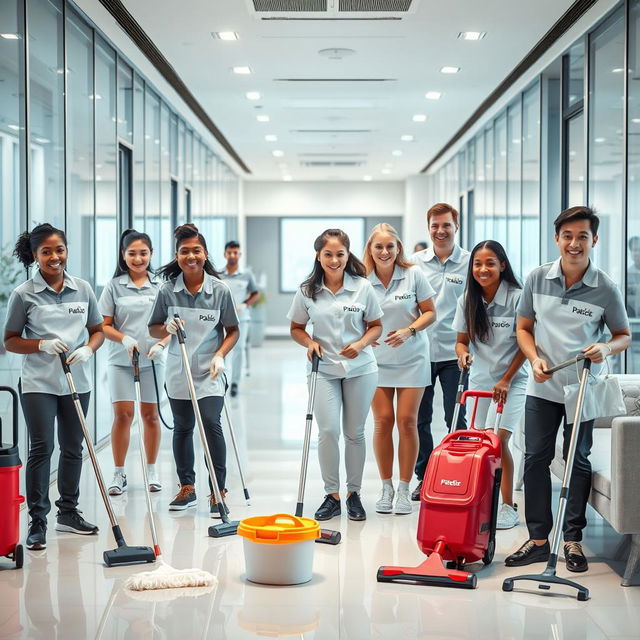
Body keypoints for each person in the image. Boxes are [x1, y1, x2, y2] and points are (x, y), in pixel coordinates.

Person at [505, 206, 630, 573]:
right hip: (542, 385)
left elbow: (623, 336)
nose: (575, 244)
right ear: (557, 238)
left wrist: (606, 347)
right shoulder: (537, 278)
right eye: (568, 236)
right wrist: (533, 360)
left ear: (595, 240)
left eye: (583, 237)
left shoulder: (605, 287)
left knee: (577, 460)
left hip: (582, 389)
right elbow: (523, 328)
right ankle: (539, 540)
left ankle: (572, 540)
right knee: (535, 459)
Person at [4, 223, 105, 550]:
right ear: (35, 255)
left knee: (73, 448)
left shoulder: (83, 289)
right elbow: (10, 341)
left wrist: (89, 348)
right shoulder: (23, 294)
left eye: (59, 249)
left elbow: (98, 329)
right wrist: (41, 344)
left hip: (77, 381)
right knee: (42, 449)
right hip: (39, 384)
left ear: (66, 250)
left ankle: (68, 512)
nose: (54, 256)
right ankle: (38, 522)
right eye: (46, 251)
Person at [288, 228, 383, 521]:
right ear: (319, 255)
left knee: (354, 433)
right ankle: (332, 495)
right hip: (324, 368)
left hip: (360, 369)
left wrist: (361, 343)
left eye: (339, 254)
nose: (334, 260)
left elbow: (376, 326)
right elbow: (296, 329)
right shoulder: (307, 290)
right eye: (328, 254)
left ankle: (354, 493)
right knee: (328, 431)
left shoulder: (363, 287)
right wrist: (309, 342)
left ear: (347, 254)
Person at [148, 224, 239, 516]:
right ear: (177, 256)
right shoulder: (167, 291)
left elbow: (233, 330)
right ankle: (187, 487)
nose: (191, 256)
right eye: (185, 251)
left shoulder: (219, 290)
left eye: (196, 250)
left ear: (205, 253)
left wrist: (221, 355)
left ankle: (218, 490)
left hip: (210, 371)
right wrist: (166, 328)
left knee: (211, 424)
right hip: (179, 369)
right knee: (183, 427)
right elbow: (153, 328)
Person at [453, 240, 527, 530]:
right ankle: (481, 499)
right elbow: (460, 341)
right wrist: (463, 354)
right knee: (479, 444)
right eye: (477, 264)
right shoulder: (467, 301)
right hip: (481, 380)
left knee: (499, 441)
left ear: (502, 266)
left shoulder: (519, 298)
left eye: (490, 263)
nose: (483, 269)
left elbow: (526, 344)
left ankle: (508, 505)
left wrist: (506, 379)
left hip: (512, 381)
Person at [364, 224, 436, 515]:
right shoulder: (361, 280)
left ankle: (405, 489)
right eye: (379, 247)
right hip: (375, 361)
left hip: (412, 358)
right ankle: (386, 487)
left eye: (390, 247)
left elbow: (430, 312)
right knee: (382, 421)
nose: (385, 252)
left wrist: (409, 330)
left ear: (398, 248)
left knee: (407, 421)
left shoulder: (413, 274)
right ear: (370, 249)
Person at [98, 229, 169, 496]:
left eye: (143, 253)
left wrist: (162, 344)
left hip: (153, 361)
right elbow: (103, 326)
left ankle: (151, 471)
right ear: (123, 255)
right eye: (132, 253)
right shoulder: (113, 286)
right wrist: (124, 339)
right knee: (123, 415)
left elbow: (170, 326)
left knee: (150, 416)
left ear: (150, 254)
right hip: (120, 361)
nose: (138, 258)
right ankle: (119, 473)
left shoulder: (162, 286)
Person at [410, 202, 470, 500]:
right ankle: (423, 477)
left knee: (455, 417)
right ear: (428, 227)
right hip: (418, 352)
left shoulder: (471, 262)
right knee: (419, 420)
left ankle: (454, 475)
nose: (441, 230)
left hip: (454, 354)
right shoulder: (414, 263)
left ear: (456, 226)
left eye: (446, 225)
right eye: (435, 225)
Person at [219, 241, 259, 397]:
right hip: (222, 319)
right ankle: (222, 379)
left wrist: (245, 304)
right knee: (222, 349)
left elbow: (255, 293)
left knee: (238, 349)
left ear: (239, 255)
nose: (232, 255)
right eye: (229, 252)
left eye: (235, 252)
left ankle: (234, 382)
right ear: (225, 254)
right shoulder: (218, 274)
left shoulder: (247, 274)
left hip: (241, 318)